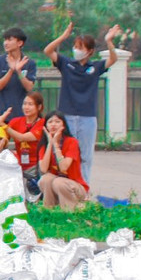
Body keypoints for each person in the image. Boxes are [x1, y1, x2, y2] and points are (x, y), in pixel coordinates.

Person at [44, 22, 121, 180]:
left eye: (81, 47)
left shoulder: (95, 67)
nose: (77, 50)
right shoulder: (66, 64)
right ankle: (65, 185)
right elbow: (48, 51)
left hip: (87, 117)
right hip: (67, 115)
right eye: (75, 46)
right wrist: (63, 37)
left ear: (90, 51)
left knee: (85, 155)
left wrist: (109, 41)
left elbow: (113, 59)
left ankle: (83, 188)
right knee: (65, 151)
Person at [0, 92, 46, 198]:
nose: (26, 107)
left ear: (39, 107)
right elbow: (2, 138)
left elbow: (22, 137)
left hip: (36, 165)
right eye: (24, 104)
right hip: (19, 163)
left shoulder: (42, 123)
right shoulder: (16, 121)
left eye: (30, 104)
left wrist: (3, 124)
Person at [38, 111, 89, 210]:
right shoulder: (43, 145)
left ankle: (70, 211)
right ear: (46, 126)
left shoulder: (71, 142)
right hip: (57, 184)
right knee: (45, 179)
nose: (53, 125)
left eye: (57, 121)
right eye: (50, 122)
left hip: (75, 187)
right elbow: (43, 169)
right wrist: (50, 144)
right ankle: (49, 210)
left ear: (63, 125)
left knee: (58, 182)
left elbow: (63, 167)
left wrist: (56, 146)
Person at [0, 27, 38, 121]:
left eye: (9, 40)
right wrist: (11, 70)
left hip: (22, 114)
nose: (5, 43)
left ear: (20, 43)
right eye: (5, 40)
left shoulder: (29, 63)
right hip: (2, 114)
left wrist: (19, 71)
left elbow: (29, 87)